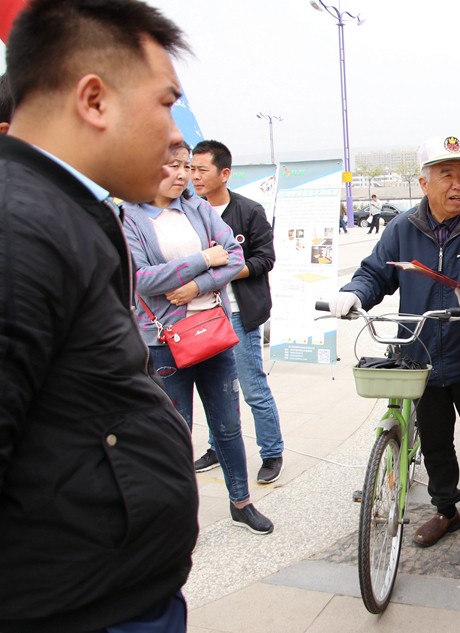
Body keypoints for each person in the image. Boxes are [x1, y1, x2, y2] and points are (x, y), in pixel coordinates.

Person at [0, 1, 198, 631]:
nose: (175, 136)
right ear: (94, 100)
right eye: (166, 103)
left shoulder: (65, 212)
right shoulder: (19, 229)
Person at [328, 134, 460, 556]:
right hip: (420, 358)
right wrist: (354, 293)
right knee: (435, 444)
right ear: (423, 183)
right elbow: (375, 273)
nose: (459, 184)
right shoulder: (402, 229)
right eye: (447, 175)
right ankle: (446, 510)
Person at [124, 143, 275, 536]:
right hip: (164, 341)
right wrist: (205, 259)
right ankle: (179, 519)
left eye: (186, 166)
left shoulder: (198, 209)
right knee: (175, 433)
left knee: (228, 426)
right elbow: (142, 279)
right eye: (172, 165)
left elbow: (236, 257)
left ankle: (241, 502)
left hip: (213, 332)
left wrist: (195, 286)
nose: (182, 174)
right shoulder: (130, 217)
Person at [191, 139, 286, 484]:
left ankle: (271, 452)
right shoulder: (189, 212)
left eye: (202, 170)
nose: (194, 176)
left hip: (239, 314)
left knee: (252, 387)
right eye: (191, 169)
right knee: (214, 389)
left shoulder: (248, 211)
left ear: (224, 173)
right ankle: (217, 447)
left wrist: (226, 271)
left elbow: (265, 259)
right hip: (202, 314)